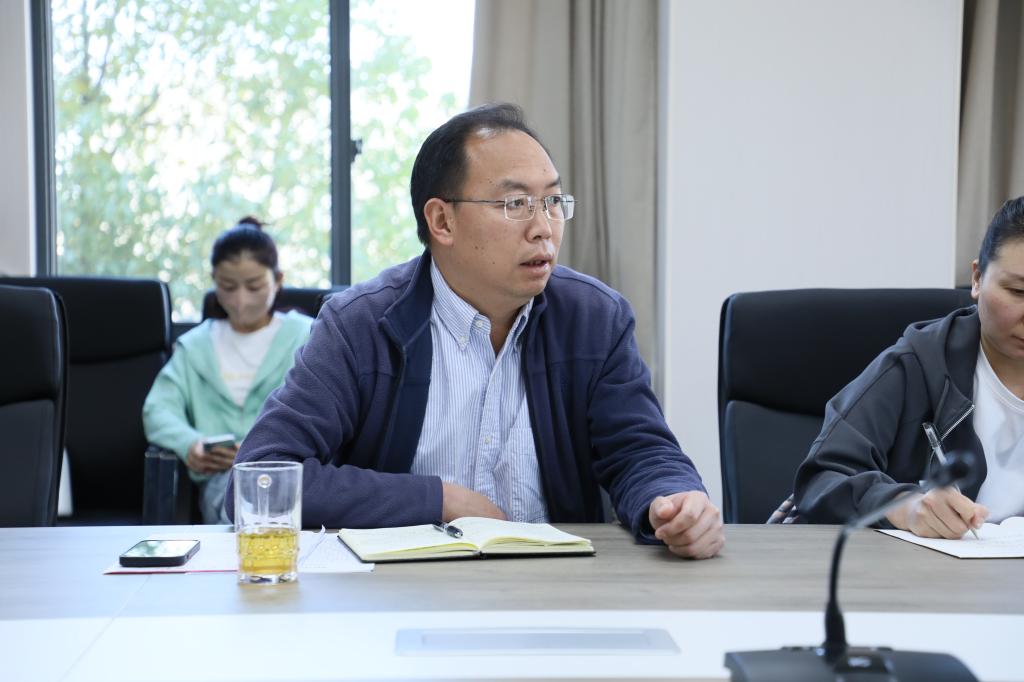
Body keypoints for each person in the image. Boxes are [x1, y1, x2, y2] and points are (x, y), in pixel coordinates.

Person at [227, 104, 724, 559]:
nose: (543, 227)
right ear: (442, 221)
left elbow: (640, 449)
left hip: (557, 587)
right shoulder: (359, 325)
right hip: (401, 593)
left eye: (553, 201)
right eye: (515, 204)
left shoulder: (594, 319)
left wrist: (673, 500)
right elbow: (260, 480)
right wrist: (439, 500)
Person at [794, 196, 1024, 538]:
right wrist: (904, 506)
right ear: (977, 278)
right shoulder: (918, 365)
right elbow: (822, 478)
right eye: (1019, 291)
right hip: (922, 566)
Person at [143, 217, 313, 523]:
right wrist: (190, 444)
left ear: (278, 279)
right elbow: (157, 410)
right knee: (241, 504)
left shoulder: (307, 337)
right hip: (224, 481)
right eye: (228, 287)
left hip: (294, 475)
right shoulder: (195, 347)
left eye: (254, 286)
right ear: (213, 281)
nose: (240, 301)